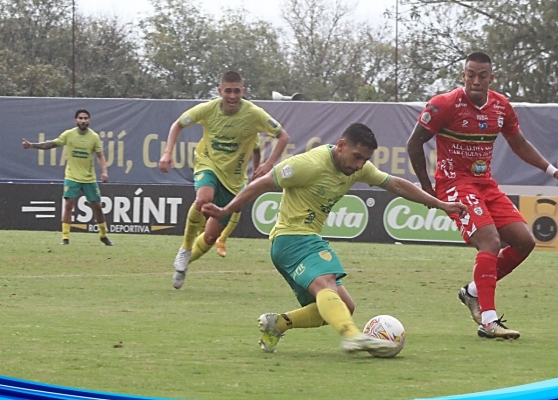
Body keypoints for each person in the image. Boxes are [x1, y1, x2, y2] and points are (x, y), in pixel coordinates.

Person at [202, 123, 469, 356]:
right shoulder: (308, 164)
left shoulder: (357, 168)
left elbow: (396, 184)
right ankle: (352, 336)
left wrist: (440, 204)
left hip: (301, 241)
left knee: (345, 307)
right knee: (327, 282)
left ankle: (278, 324)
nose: (360, 165)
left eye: (365, 159)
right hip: (291, 238)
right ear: (341, 146)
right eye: (357, 157)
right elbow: (260, 184)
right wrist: (226, 210)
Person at [406, 52, 558, 340]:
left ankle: (473, 292)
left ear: (491, 78)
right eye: (471, 74)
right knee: (490, 240)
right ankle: (488, 321)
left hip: (486, 185)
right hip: (454, 185)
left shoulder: (500, 107)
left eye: (482, 75)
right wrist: (427, 187)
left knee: (524, 241)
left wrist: (552, 170)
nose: (476, 80)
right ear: (463, 76)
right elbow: (415, 143)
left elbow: (519, 142)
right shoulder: (444, 104)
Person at [159, 70, 289, 289]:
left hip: (234, 180)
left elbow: (283, 136)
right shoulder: (208, 109)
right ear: (220, 91)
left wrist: (268, 165)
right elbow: (178, 124)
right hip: (207, 164)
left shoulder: (254, 114)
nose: (232, 96)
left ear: (243, 91)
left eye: (236, 91)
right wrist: (167, 153)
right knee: (203, 199)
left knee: (210, 238)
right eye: (228, 91)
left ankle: (184, 266)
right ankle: (186, 248)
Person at [22, 109, 113, 246]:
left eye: (85, 118)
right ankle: (65, 238)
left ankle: (103, 235)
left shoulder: (94, 137)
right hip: (72, 176)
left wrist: (104, 172)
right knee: (69, 205)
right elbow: (51, 144)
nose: (83, 121)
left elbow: (100, 156)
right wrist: (32, 145)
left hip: (89, 178)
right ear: (76, 120)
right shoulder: (69, 134)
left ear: (89, 120)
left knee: (98, 206)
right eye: (80, 118)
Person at [214, 139, 261, 258]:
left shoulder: (251, 132)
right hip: (218, 171)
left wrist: (256, 172)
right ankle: (198, 234)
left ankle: (222, 240)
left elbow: (256, 150)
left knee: (238, 206)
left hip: (238, 176)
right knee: (205, 199)